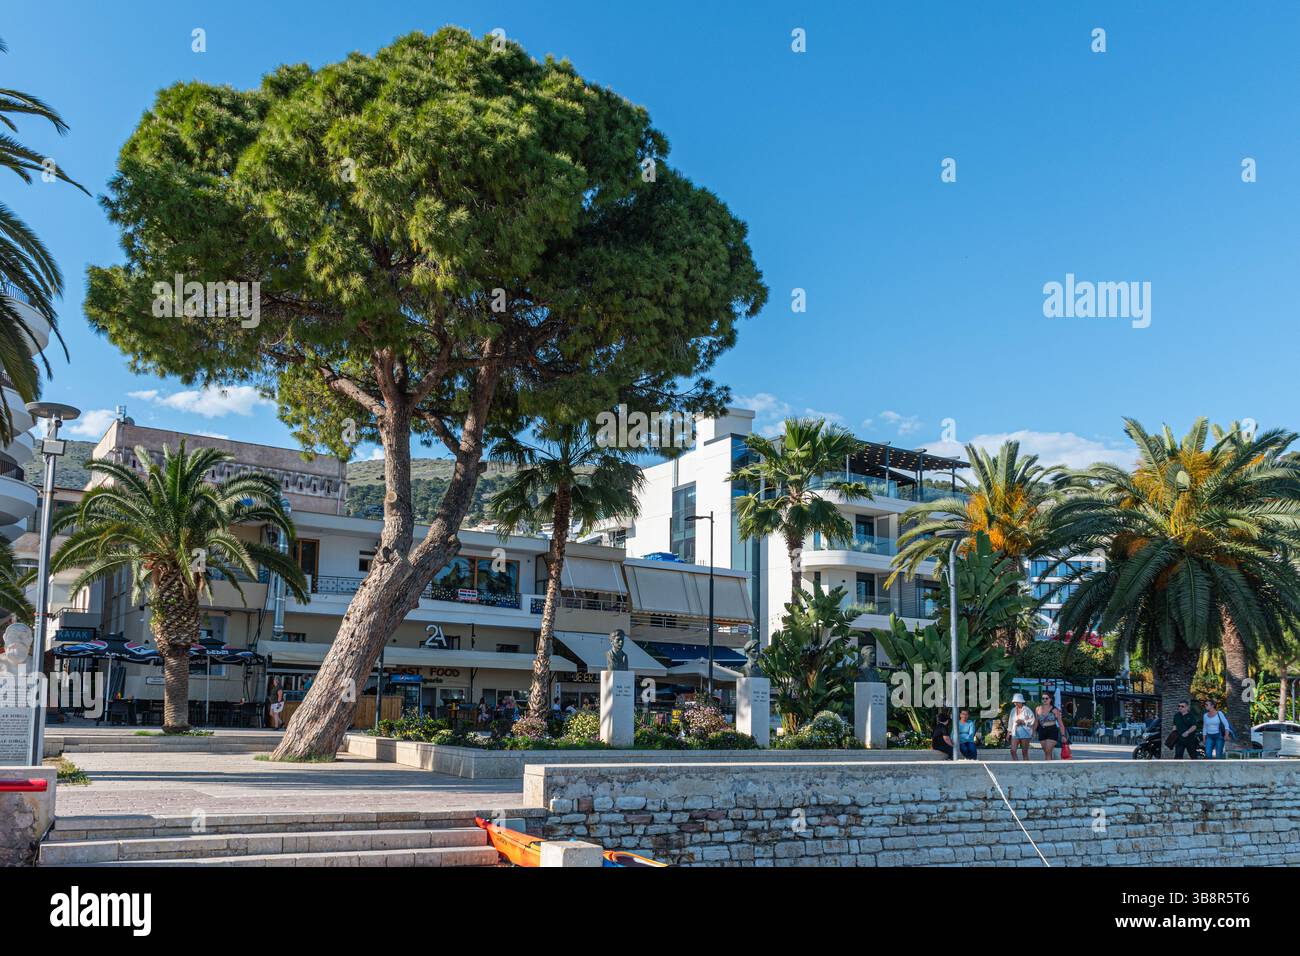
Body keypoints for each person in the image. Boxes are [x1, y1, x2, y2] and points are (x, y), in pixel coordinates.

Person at [1036, 691, 1066, 760]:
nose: (1044, 700)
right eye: (1043, 698)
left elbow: (1061, 724)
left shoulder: (1055, 710)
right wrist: (1033, 731)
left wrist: (1063, 735)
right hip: (1042, 730)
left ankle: (1047, 768)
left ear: (1050, 699)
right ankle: (1050, 765)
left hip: (1052, 730)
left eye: (1046, 698)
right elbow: (1036, 722)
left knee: (1048, 750)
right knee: (1046, 752)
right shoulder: (1038, 709)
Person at [1008, 693, 1036, 760]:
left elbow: (1033, 720)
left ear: (1021, 701)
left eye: (1017, 702)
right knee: (1013, 751)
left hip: (1025, 733)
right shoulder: (1013, 710)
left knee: (1024, 752)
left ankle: (1026, 767)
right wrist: (1008, 733)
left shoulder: (1027, 710)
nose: (1015, 703)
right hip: (1015, 733)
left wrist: (1023, 722)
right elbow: (1010, 722)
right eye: (1015, 702)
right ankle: (1016, 764)